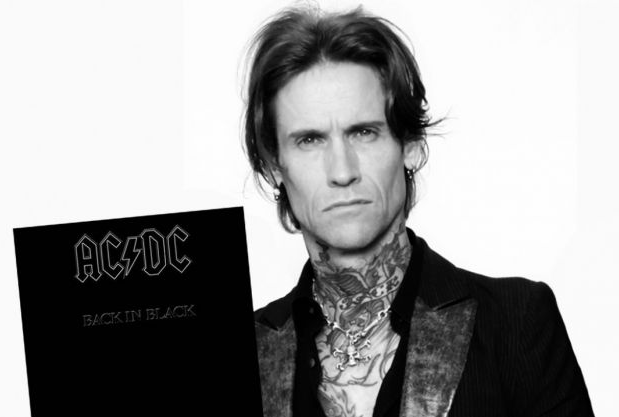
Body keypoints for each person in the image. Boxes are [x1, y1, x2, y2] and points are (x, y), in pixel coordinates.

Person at [243, 5, 594, 417]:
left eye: (364, 132)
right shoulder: (242, 354)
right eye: (309, 140)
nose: (342, 171)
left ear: (410, 145)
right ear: (274, 166)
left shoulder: (515, 323)